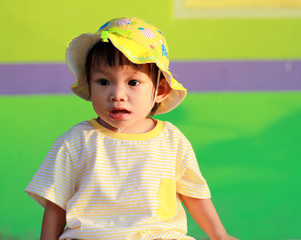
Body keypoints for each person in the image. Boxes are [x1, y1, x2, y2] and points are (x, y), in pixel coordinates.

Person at [26, 17, 238, 240]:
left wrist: (219, 235)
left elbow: (194, 195)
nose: (117, 95)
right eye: (103, 82)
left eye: (133, 83)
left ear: (160, 90)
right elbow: (56, 204)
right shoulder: (76, 141)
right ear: (90, 86)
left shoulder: (172, 140)